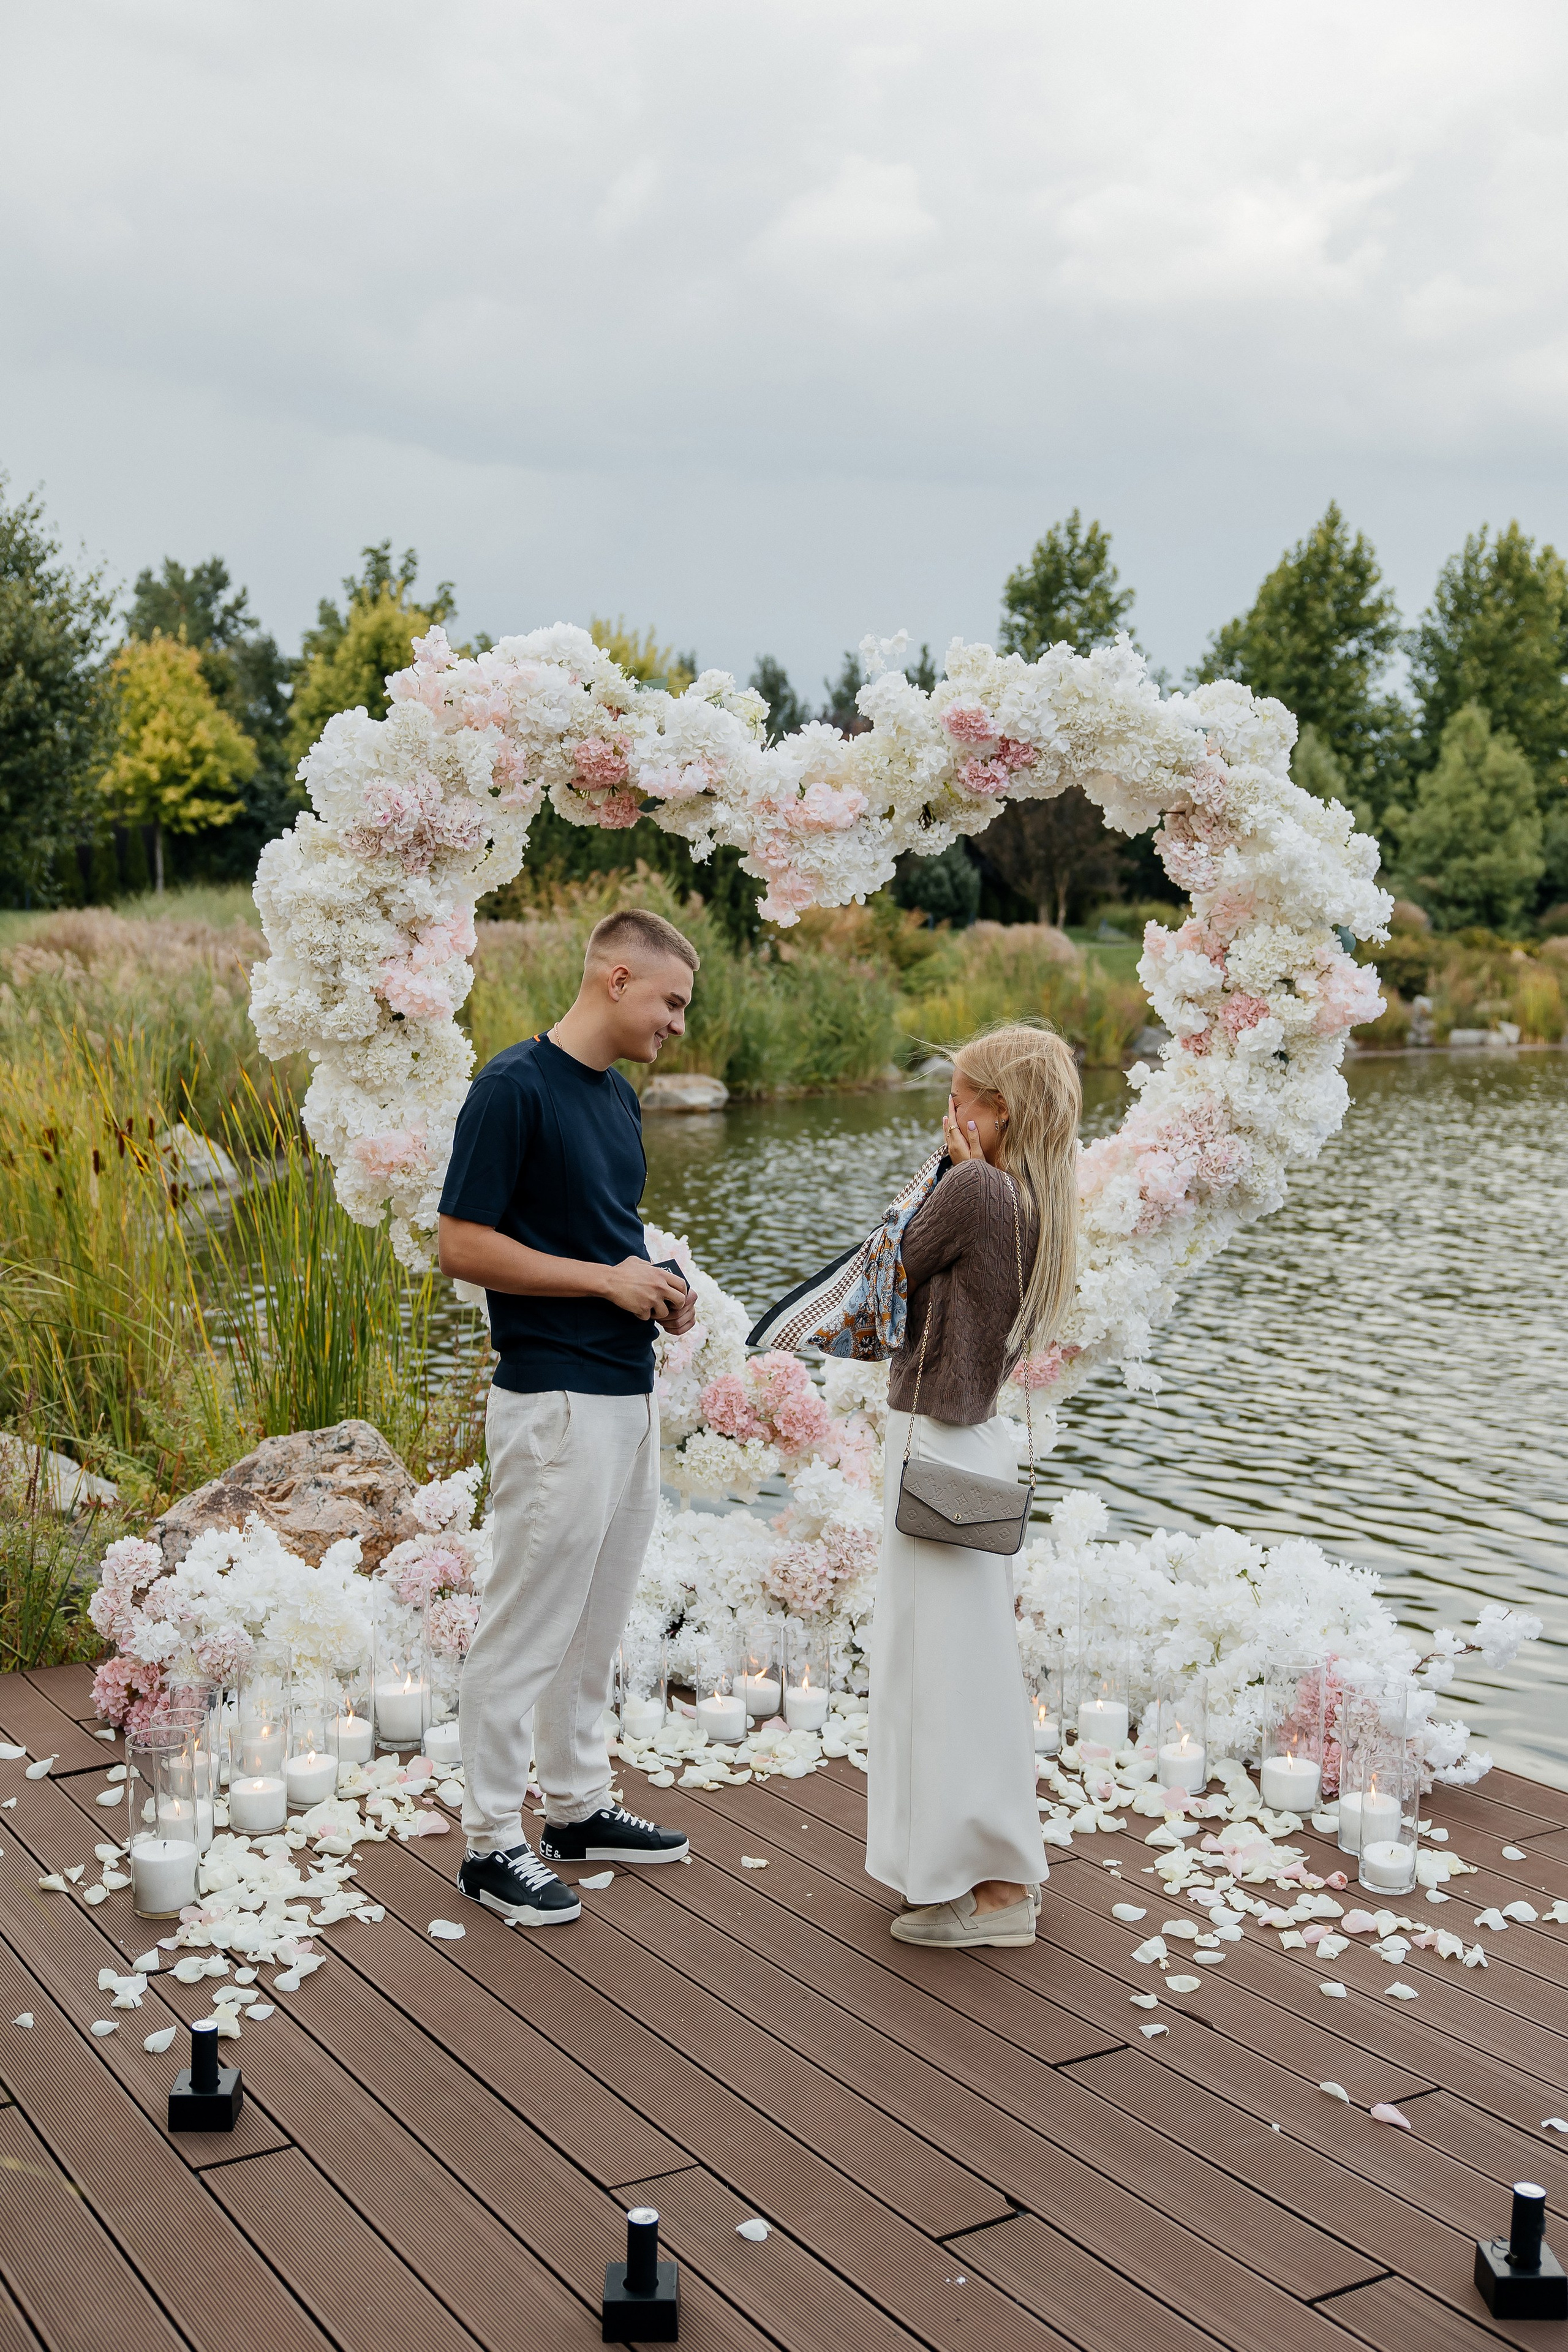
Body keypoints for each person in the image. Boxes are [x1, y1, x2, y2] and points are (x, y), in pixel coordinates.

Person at [437, 907, 701, 1925]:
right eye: (672, 1001)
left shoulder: (618, 1098)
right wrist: (604, 1282)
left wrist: (661, 1287)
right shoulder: (511, 1089)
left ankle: (579, 1808)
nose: (677, 1022)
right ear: (619, 979)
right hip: (551, 1400)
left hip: (626, 1394)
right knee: (528, 1624)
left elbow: (608, 1233)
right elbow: (462, 1245)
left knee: (596, 1621)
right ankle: (492, 1841)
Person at [865, 1022, 1080, 1950]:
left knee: (951, 1676)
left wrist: (946, 1169)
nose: (945, 1112)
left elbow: (881, 1273)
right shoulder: (1023, 1192)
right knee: (963, 1670)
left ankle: (992, 1892)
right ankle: (983, 1877)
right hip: (967, 1443)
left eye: (959, 1097)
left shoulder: (983, 1189)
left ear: (997, 1111)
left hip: (940, 1446)